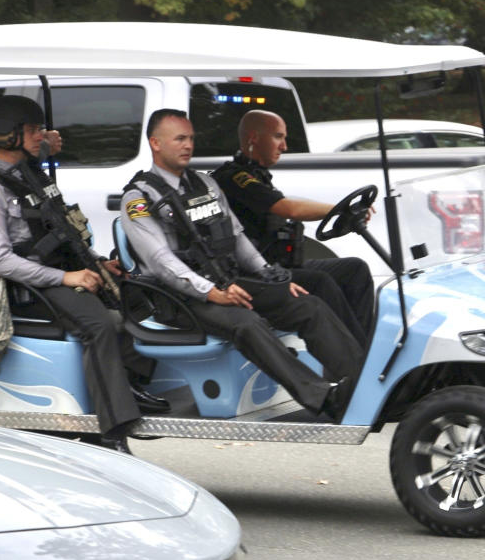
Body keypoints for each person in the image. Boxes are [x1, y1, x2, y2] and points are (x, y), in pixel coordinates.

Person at [120, 109, 362, 419]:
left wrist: (271, 275)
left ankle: (362, 385)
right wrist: (211, 292)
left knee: (306, 304)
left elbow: (237, 239)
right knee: (247, 324)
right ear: (155, 143)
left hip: (228, 281)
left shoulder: (206, 185)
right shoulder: (138, 199)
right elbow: (161, 262)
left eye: (191, 138)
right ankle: (324, 397)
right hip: (182, 298)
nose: (188, 145)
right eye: (179, 139)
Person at [0, 95, 165, 444]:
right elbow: (1, 260)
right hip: (31, 287)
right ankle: (112, 430)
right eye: (32, 130)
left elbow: (65, 231)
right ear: (8, 135)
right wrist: (65, 277)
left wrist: (99, 263)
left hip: (64, 274)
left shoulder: (34, 178)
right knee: (99, 324)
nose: (39, 136)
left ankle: (131, 383)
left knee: (141, 297)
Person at [211, 109, 375, 348]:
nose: (284, 146)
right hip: (254, 274)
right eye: (278, 137)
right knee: (320, 282)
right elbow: (288, 209)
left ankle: (364, 348)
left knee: (355, 269)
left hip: (279, 267)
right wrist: (338, 209)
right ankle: (353, 359)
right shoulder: (236, 178)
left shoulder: (257, 175)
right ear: (254, 138)